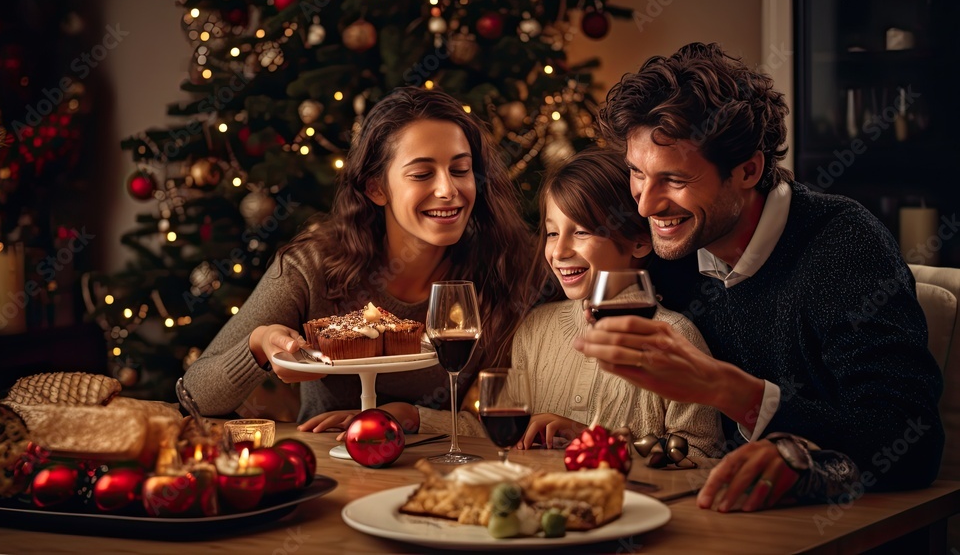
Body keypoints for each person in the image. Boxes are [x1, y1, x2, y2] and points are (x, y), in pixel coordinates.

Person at [577, 41, 944, 512]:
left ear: (748, 169)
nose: (646, 204)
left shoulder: (844, 245)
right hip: (706, 518)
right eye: (636, 173)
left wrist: (732, 392)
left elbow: (911, 442)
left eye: (675, 179)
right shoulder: (670, 253)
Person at [302, 148, 723, 461]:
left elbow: (704, 460)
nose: (558, 252)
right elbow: (499, 429)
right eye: (553, 233)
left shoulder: (676, 338)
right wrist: (411, 416)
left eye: (581, 233)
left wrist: (593, 441)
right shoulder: (536, 329)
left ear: (640, 240)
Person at [183, 87, 540, 423]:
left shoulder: (501, 265)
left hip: (439, 475)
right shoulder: (312, 265)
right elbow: (195, 396)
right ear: (376, 188)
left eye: (460, 170)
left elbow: (513, 409)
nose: (449, 190)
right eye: (421, 174)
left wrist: (413, 418)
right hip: (327, 471)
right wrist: (258, 345)